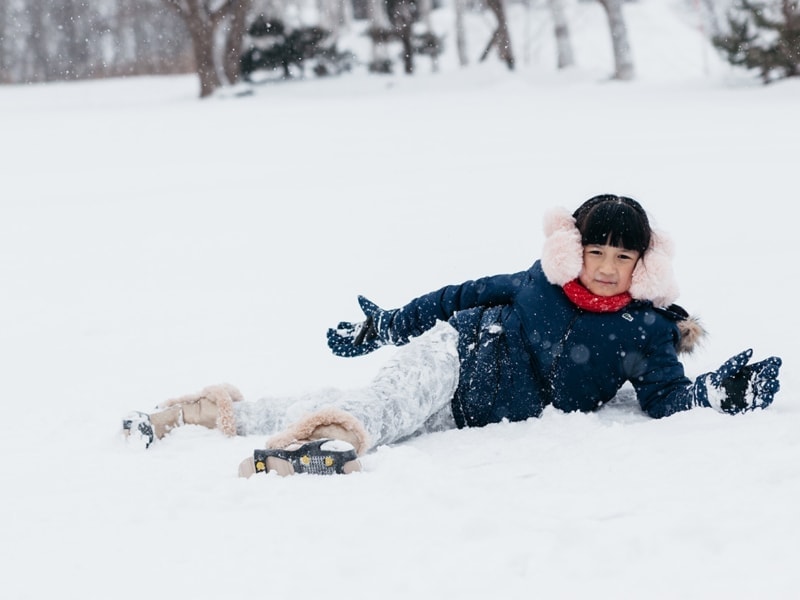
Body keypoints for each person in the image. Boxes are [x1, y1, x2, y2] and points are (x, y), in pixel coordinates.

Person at [123, 194, 782, 477]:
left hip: (469, 410)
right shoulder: (536, 285)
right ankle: (325, 446)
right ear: (572, 248)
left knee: (386, 409)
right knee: (384, 405)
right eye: (597, 252)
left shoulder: (646, 329)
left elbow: (665, 399)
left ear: (645, 264)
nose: (607, 269)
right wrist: (387, 327)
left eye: (622, 257)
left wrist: (717, 393)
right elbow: (455, 297)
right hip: (459, 352)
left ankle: (214, 413)